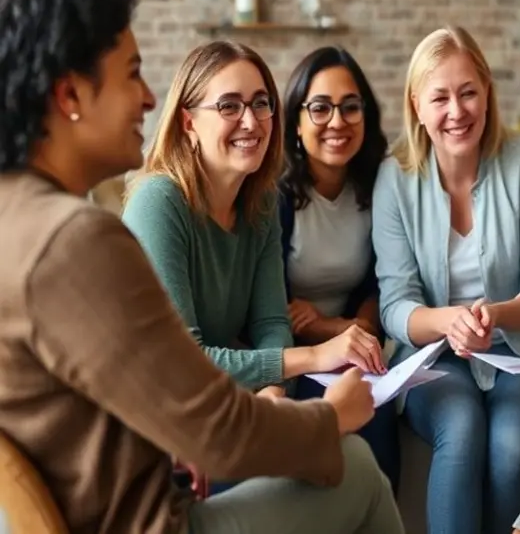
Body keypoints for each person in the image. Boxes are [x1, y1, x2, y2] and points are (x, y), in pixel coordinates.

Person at [0, 0, 403, 534]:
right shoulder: (72, 240)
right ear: (69, 95)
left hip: (158, 483)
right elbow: (215, 432)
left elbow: (152, 392)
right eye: (133, 75)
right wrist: (330, 415)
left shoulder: (19, 219)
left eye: (261, 105)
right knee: (356, 466)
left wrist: (266, 396)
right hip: (155, 522)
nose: (147, 98)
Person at [372, 25, 520, 534]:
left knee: (508, 443)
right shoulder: (394, 176)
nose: (456, 112)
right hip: (434, 357)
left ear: (487, 94)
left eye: (468, 93)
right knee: (459, 426)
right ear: (417, 105)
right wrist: (450, 322)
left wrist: (495, 314)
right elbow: (395, 304)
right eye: (440, 97)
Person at [122, 41, 386, 402]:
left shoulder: (260, 201)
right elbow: (180, 361)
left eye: (261, 103)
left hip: (225, 400)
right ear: (188, 122)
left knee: (355, 455)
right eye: (229, 106)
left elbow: (272, 324)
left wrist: (273, 392)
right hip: (156, 411)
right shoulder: (159, 201)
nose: (250, 121)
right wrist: (313, 356)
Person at [278, 45, 400, 491]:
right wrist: (332, 331)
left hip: (355, 347)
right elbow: (274, 306)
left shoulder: (378, 186)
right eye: (320, 108)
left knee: (378, 413)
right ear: (295, 120)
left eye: (350, 107)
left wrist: (354, 328)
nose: (337, 121)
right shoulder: (275, 196)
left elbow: (380, 283)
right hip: (298, 354)